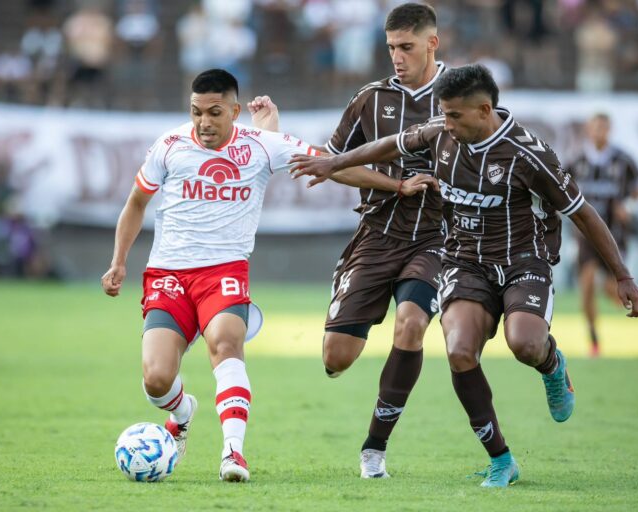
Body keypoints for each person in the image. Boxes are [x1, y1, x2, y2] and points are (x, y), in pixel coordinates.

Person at [289, 64, 638, 487]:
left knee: (525, 343)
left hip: (523, 263)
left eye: (455, 115)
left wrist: (623, 276)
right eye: (443, 114)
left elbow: (583, 213)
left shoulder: (528, 155)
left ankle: (552, 364)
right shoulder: (441, 133)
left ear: (484, 110)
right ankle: (502, 460)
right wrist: (336, 162)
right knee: (460, 351)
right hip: (465, 262)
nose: (446, 123)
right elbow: (391, 145)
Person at [101, 69, 427, 483]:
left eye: (215, 112)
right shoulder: (168, 146)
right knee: (157, 379)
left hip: (224, 272)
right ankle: (183, 414)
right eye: (196, 112)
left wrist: (396, 186)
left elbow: (330, 165)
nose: (204, 122)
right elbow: (135, 203)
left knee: (225, 343)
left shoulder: (260, 145)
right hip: (169, 274)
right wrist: (118, 262)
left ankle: (233, 453)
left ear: (235, 111)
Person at [272, 3, 446, 479]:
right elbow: (336, 163)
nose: (397, 56)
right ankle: (360, 316)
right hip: (377, 235)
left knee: (410, 326)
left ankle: (375, 448)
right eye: (391, 47)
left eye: (406, 47)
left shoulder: (458, 97)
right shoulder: (372, 98)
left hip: (438, 239)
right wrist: (396, 184)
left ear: (432, 43)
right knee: (336, 359)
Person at [567, 113, 638, 357]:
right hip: (585, 236)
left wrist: (628, 206)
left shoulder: (622, 160)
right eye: (595, 127)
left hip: (614, 234)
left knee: (612, 288)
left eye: (603, 127)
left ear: (609, 129)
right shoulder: (577, 161)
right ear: (588, 130)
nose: (599, 131)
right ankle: (594, 339)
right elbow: (561, 188)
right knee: (587, 284)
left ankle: (637, 309)